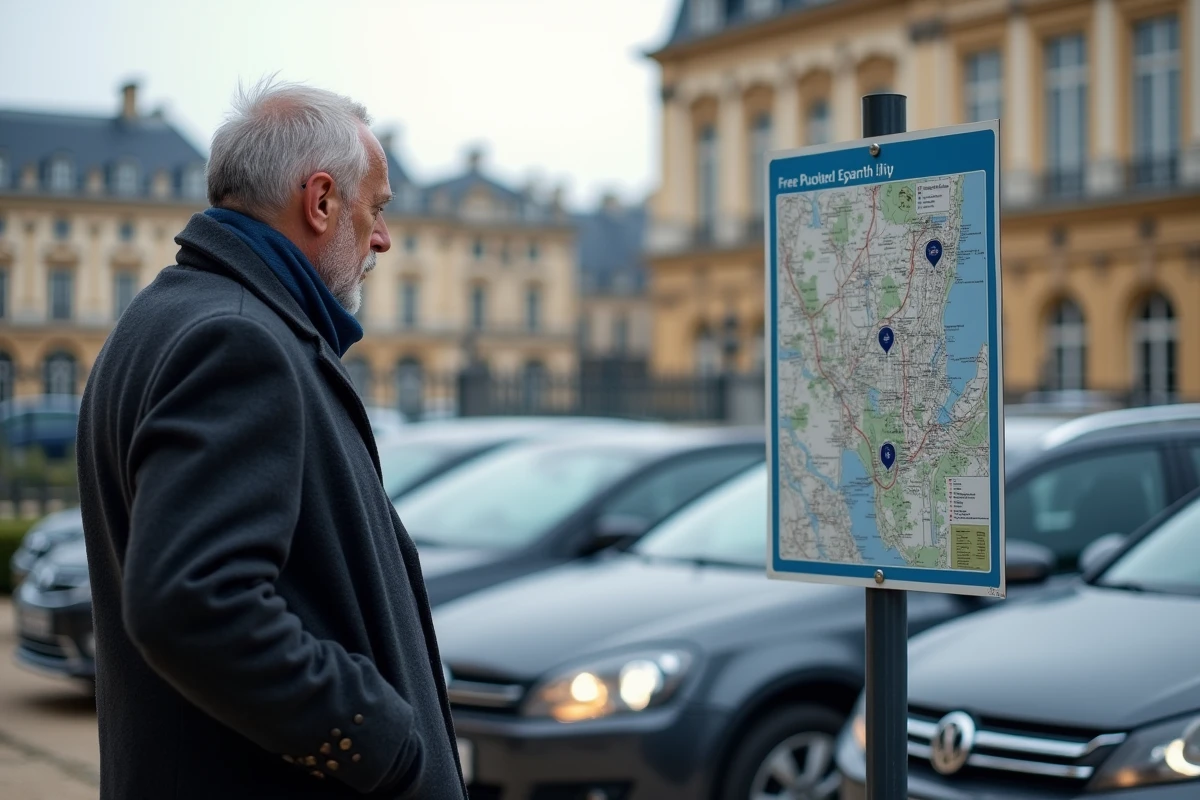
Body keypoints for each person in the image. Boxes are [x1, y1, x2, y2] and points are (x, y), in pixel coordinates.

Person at [76, 79, 467, 799]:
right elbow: (190, 603)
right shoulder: (239, 340)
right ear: (320, 201)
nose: (382, 238)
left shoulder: (169, 314)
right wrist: (376, 737)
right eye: (374, 209)